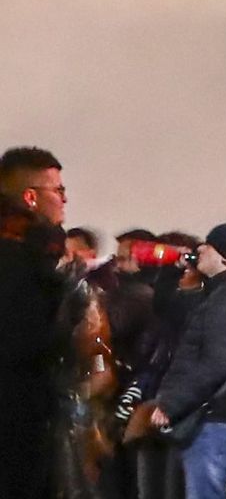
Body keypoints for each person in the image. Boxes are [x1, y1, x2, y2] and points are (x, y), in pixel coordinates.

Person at [147, 222, 226, 499]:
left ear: (222, 254)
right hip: (218, 414)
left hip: (216, 417)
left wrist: (172, 404)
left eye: (207, 246)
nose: (199, 251)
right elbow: (168, 308)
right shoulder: (222, 293)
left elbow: (216, 362)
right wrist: (171, 268)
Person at [0, 146, 70, 499]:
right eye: (57, 191)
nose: (65, 199)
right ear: (30, 197)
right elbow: (24, 339)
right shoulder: (22, 259)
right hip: (18, 413)